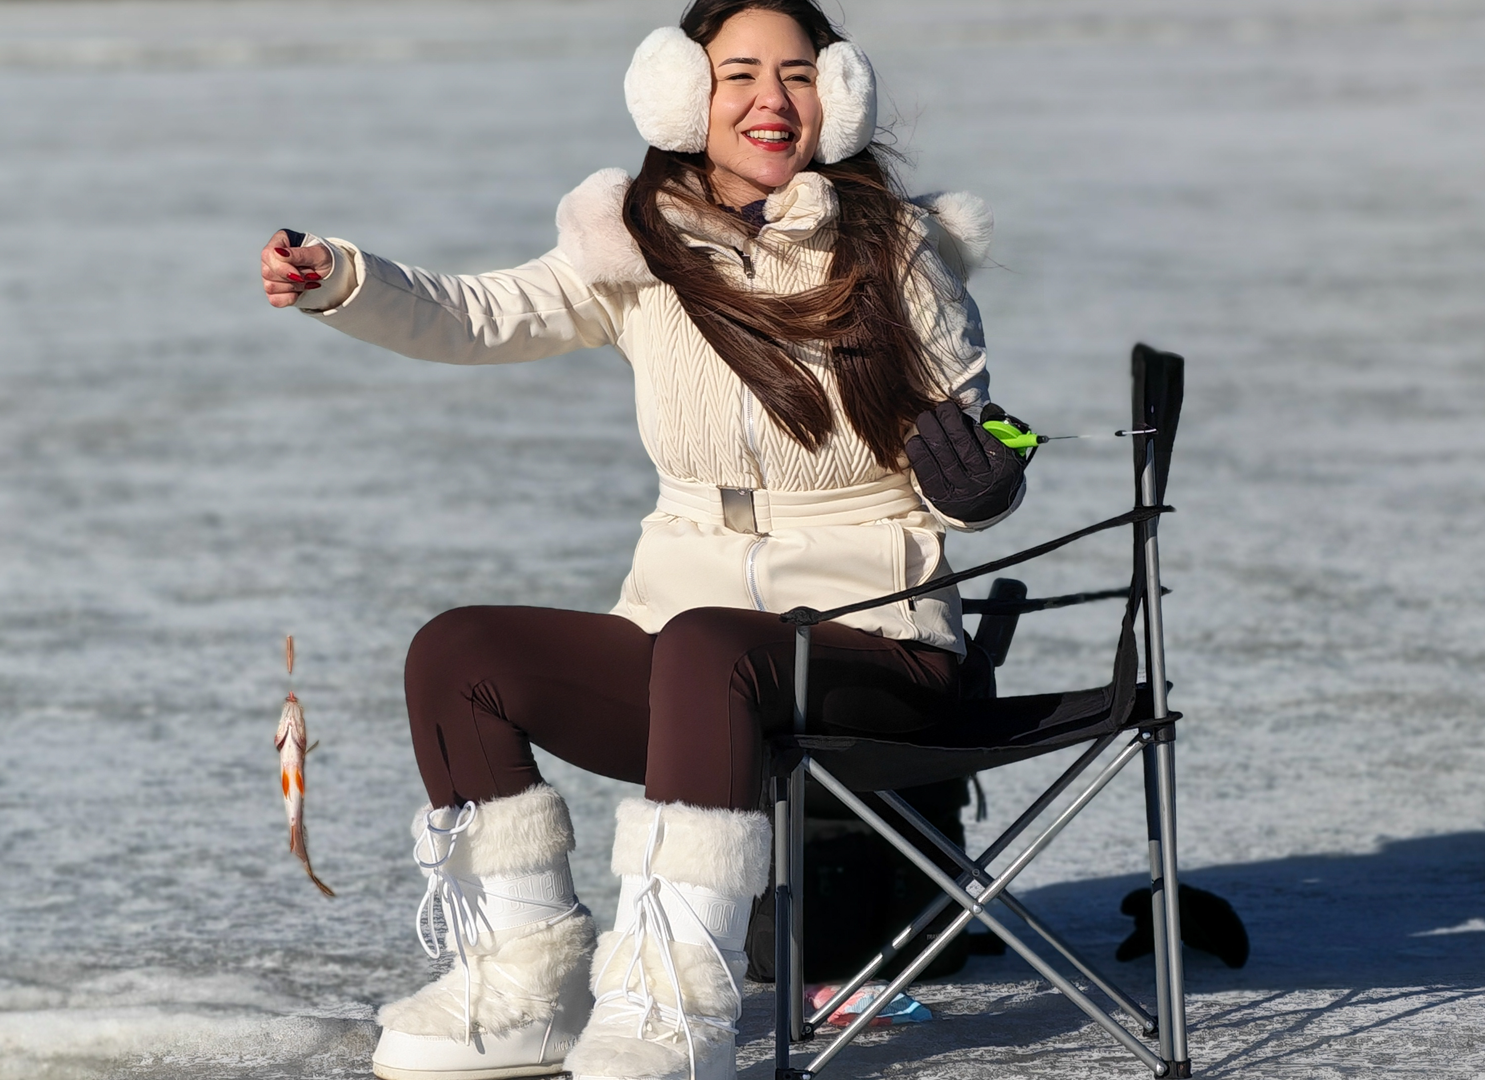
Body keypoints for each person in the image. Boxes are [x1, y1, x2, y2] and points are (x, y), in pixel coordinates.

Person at [259, 3, 1023, 1078]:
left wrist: (982, 486)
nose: (772, 100)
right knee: (463, 652)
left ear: (838, 98)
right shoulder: (639, 248)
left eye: (799, 75)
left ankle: (674, 1006)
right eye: (740, 74)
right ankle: (527, 981)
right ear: (679, 97)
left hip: (878, 647)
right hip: (694, 662)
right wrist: (344, 277)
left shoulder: (897, 260)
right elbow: (478, 311)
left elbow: (972, 438)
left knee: (711, 646)